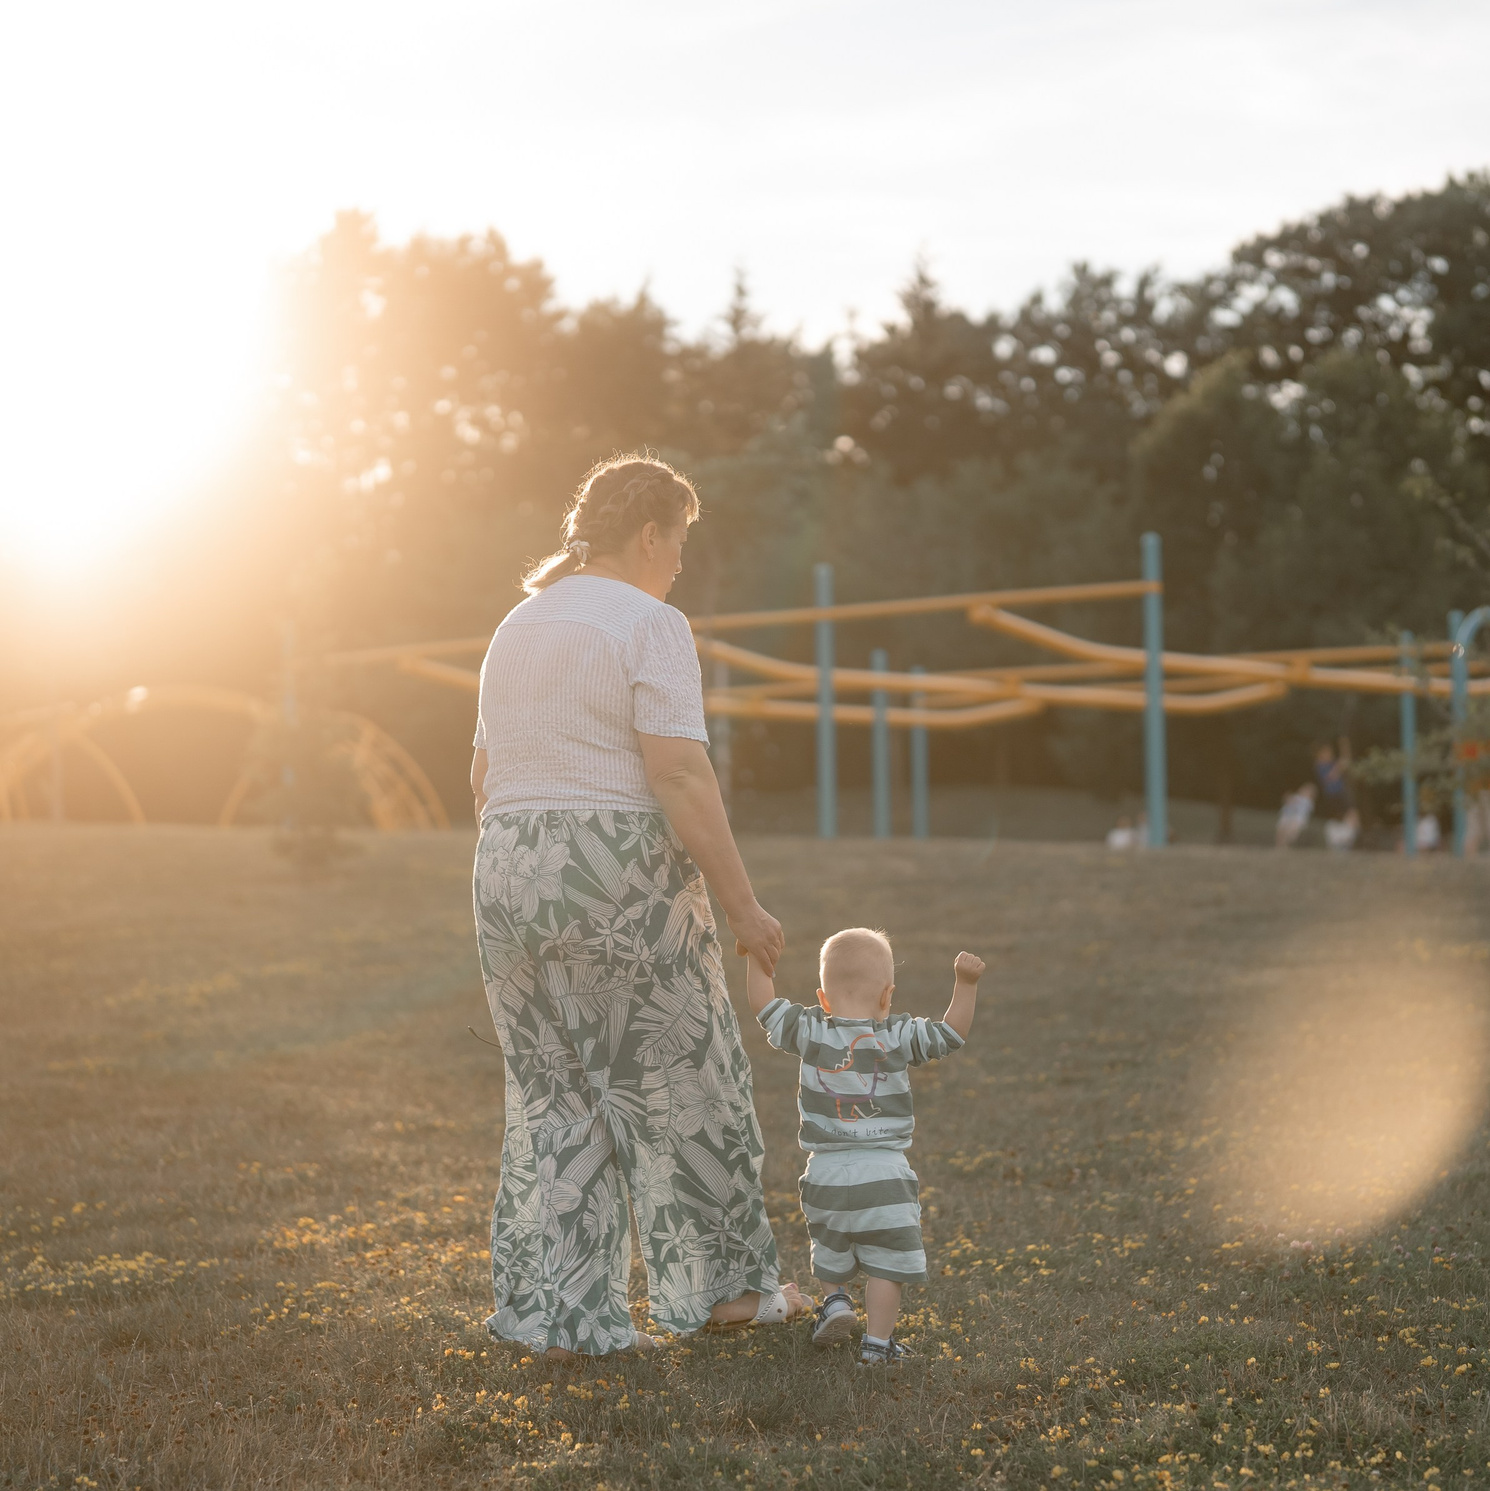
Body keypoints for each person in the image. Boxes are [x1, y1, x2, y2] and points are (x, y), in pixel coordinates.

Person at [469, 453, 811, 1360]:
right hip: (611, 865)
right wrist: (741, 907)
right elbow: (678, 772)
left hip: (505, 867)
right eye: (681, 541)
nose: (682, 563)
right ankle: (729, 1292)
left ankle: (565, 1315)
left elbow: (481, 776)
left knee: (557, 1095)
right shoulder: (650, 622)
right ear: (650, 532)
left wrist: (533, 863)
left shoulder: (516, 624)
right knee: (687, 1079)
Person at [741, 928, 985, 1366]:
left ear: (823, 996)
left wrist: (757, 958)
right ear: (887, 996)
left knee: (832, 1248)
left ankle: (834, 1300)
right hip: (884, 1173)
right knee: (886, 1264)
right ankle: (877, 1346)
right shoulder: (896, 1034)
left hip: (825, 1173)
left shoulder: (810, 1028)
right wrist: (964, 985)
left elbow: (764, 1005)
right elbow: (951, 1034)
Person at [1275, 783, 1316, 848]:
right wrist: (1287, 798)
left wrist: (1292, 800)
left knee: (1290, 832)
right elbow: (1286, 800)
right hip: (1287, 816)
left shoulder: (1308, 801)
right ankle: (1279, 846)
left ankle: (1286, 845)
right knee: (1280, 831)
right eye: (1304, 788)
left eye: (1307, 790)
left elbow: (1304, 807)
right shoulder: (1295, 796)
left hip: (1298, 818)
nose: (1304, 790)